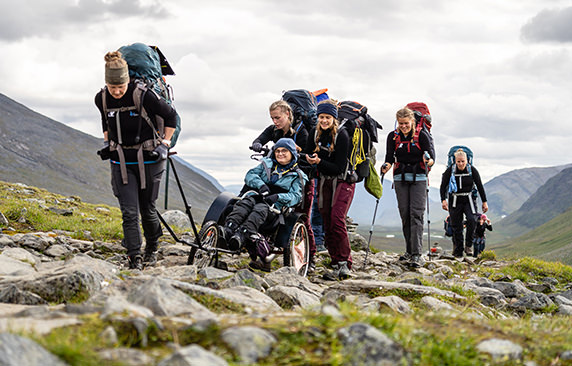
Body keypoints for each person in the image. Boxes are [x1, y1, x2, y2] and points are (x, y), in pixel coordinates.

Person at [95, 51, 177, 270]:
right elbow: (106, 121)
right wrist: (107, 143)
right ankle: (134, 257)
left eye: (121, 86)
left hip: (150, 158)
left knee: (147, 208)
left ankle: (152, 247)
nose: (118, 91)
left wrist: (164, 144)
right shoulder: (101, 98)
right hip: (121, 161)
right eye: (113, 88)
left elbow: (171, 116)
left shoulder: (144, 95)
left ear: (127, 80)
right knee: (129, 211)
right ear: (106, 84)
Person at [250, 101, 318, 272]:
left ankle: (310, 259)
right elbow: (260, 138)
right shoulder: (273, 130)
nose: (275, 121)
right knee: (269, 214)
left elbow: (309, 153)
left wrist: (297, 151)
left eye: (278, 117)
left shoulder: (302, 131)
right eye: (272, 118)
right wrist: (258, 143)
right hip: (278, 180)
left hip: (301, 181)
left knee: (301, 218)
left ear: (288, 113)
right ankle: (265, 257)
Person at [222, 138, 307, 271]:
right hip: (256, 196)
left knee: (260, 208)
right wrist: (261, 185)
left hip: (275, 209)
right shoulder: (266, 164)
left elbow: (296, 196)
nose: (280, 154)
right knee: (244, 204)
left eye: (284, 151)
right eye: (277, 151)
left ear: (292, 153)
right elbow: (250, 175)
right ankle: (228, 230)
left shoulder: (298, 175)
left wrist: (278, 196)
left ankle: (242, 235)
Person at [305, 100, 354, 279]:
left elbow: (339, 167)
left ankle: (345, 263)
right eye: (321, 117)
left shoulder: (342, 136)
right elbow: (308, 153)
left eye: (327, 117)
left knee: (337, 219)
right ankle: (335, 261)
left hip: (344, 181)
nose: (324, 121)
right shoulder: (314, 132)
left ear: (334, 118)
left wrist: (318, 161)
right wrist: (308, 157)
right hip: (324, 180)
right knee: (326, 218)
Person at [380, 107, 434, 267]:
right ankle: (409, 251)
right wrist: (386, 166)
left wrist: (428, 161)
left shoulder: (422, 135)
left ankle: (417, 254)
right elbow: (390, 157)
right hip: (400, 178)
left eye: (406, 123)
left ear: (412, 122)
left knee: (416, 214)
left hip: (419, 178)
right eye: (401, 123)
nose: (403, 126)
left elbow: (431, 156)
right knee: (405, 214)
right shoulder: (393, 137)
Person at [439, 148, 488, 258]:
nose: (461, 164)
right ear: (454, 161)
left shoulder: (472, 170)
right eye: (458, 161)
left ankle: (468, 245)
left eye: (463, 161)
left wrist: (484, 202)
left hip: (469, 199)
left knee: (472, 220)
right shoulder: (450, 170)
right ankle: (458, 250)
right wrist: (443, 200)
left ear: (467, 160)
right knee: (457, 226)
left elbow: (480, 186)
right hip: (455, 200)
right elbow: (443, 186)